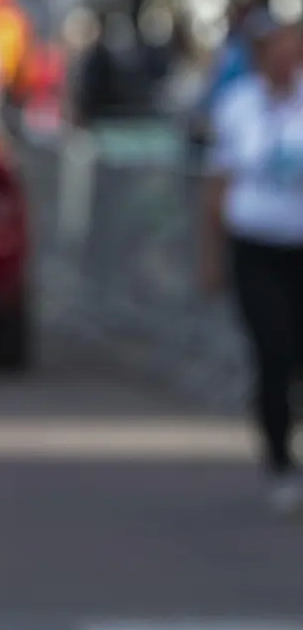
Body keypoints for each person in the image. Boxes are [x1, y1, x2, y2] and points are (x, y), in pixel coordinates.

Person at [202, 7, 303, 515]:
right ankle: (280, 459)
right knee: (273, 349)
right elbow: (219, 182)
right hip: (256, 249)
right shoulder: (238, 105)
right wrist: (210, 256)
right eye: (275, 49)